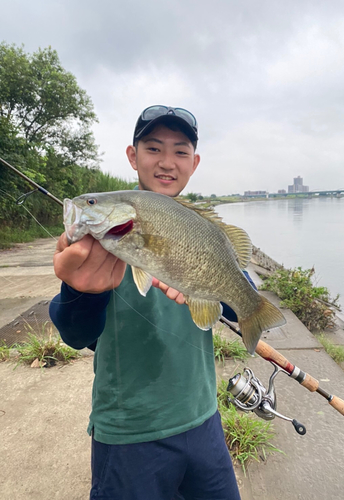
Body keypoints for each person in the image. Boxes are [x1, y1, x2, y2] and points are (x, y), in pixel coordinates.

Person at [50, 105, 242, 500]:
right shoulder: (97, 243)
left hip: (203, 417)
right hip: (128, 432)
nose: (167, 162)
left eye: (180, 151)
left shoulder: (198, 224)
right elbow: (76, 334)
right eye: (153, 148)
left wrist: (224, 286)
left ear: (195, 162)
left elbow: (238, 301)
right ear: (132, 156)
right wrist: (80, 293)